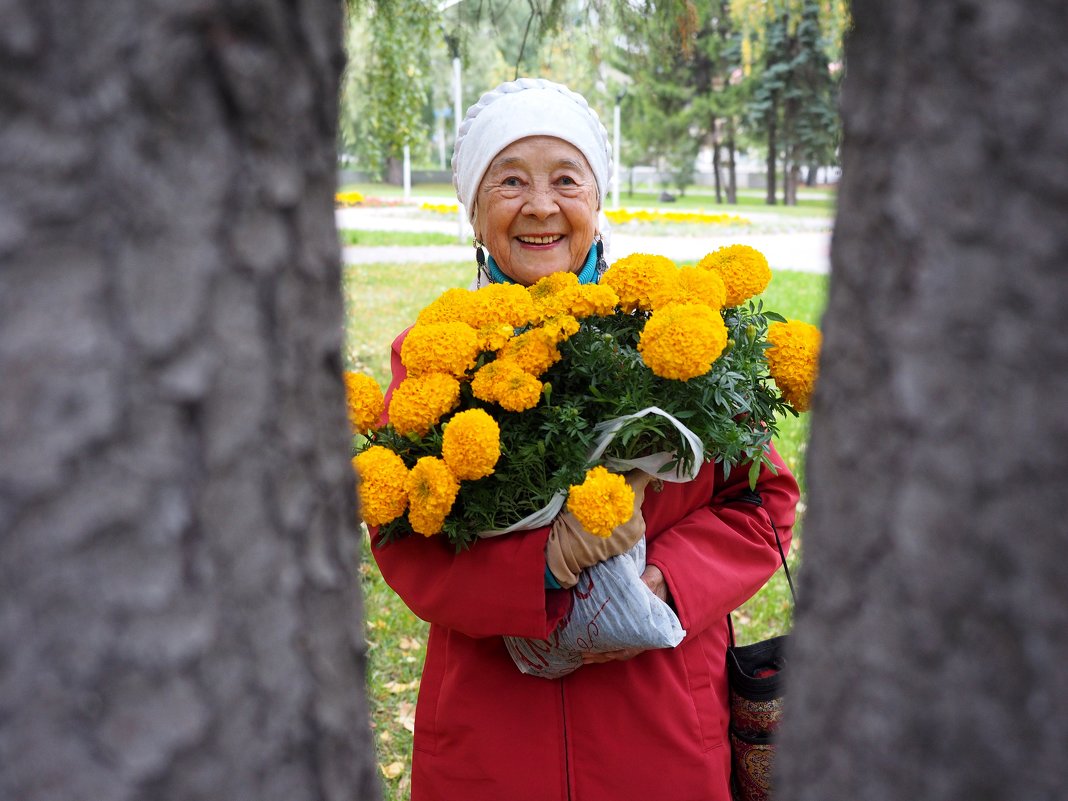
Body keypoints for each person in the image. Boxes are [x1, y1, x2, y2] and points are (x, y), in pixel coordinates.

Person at [370, 78, 800, 801]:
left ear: (597, 200)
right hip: (494, 738)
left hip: (659, 728)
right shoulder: (432, 361)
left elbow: (763, 506)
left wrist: (664, 580)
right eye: (510, 180)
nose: (540, 204)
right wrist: (541, 561)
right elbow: (404, 540)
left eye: (565, 178)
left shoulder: (686, 341)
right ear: (474, 213)